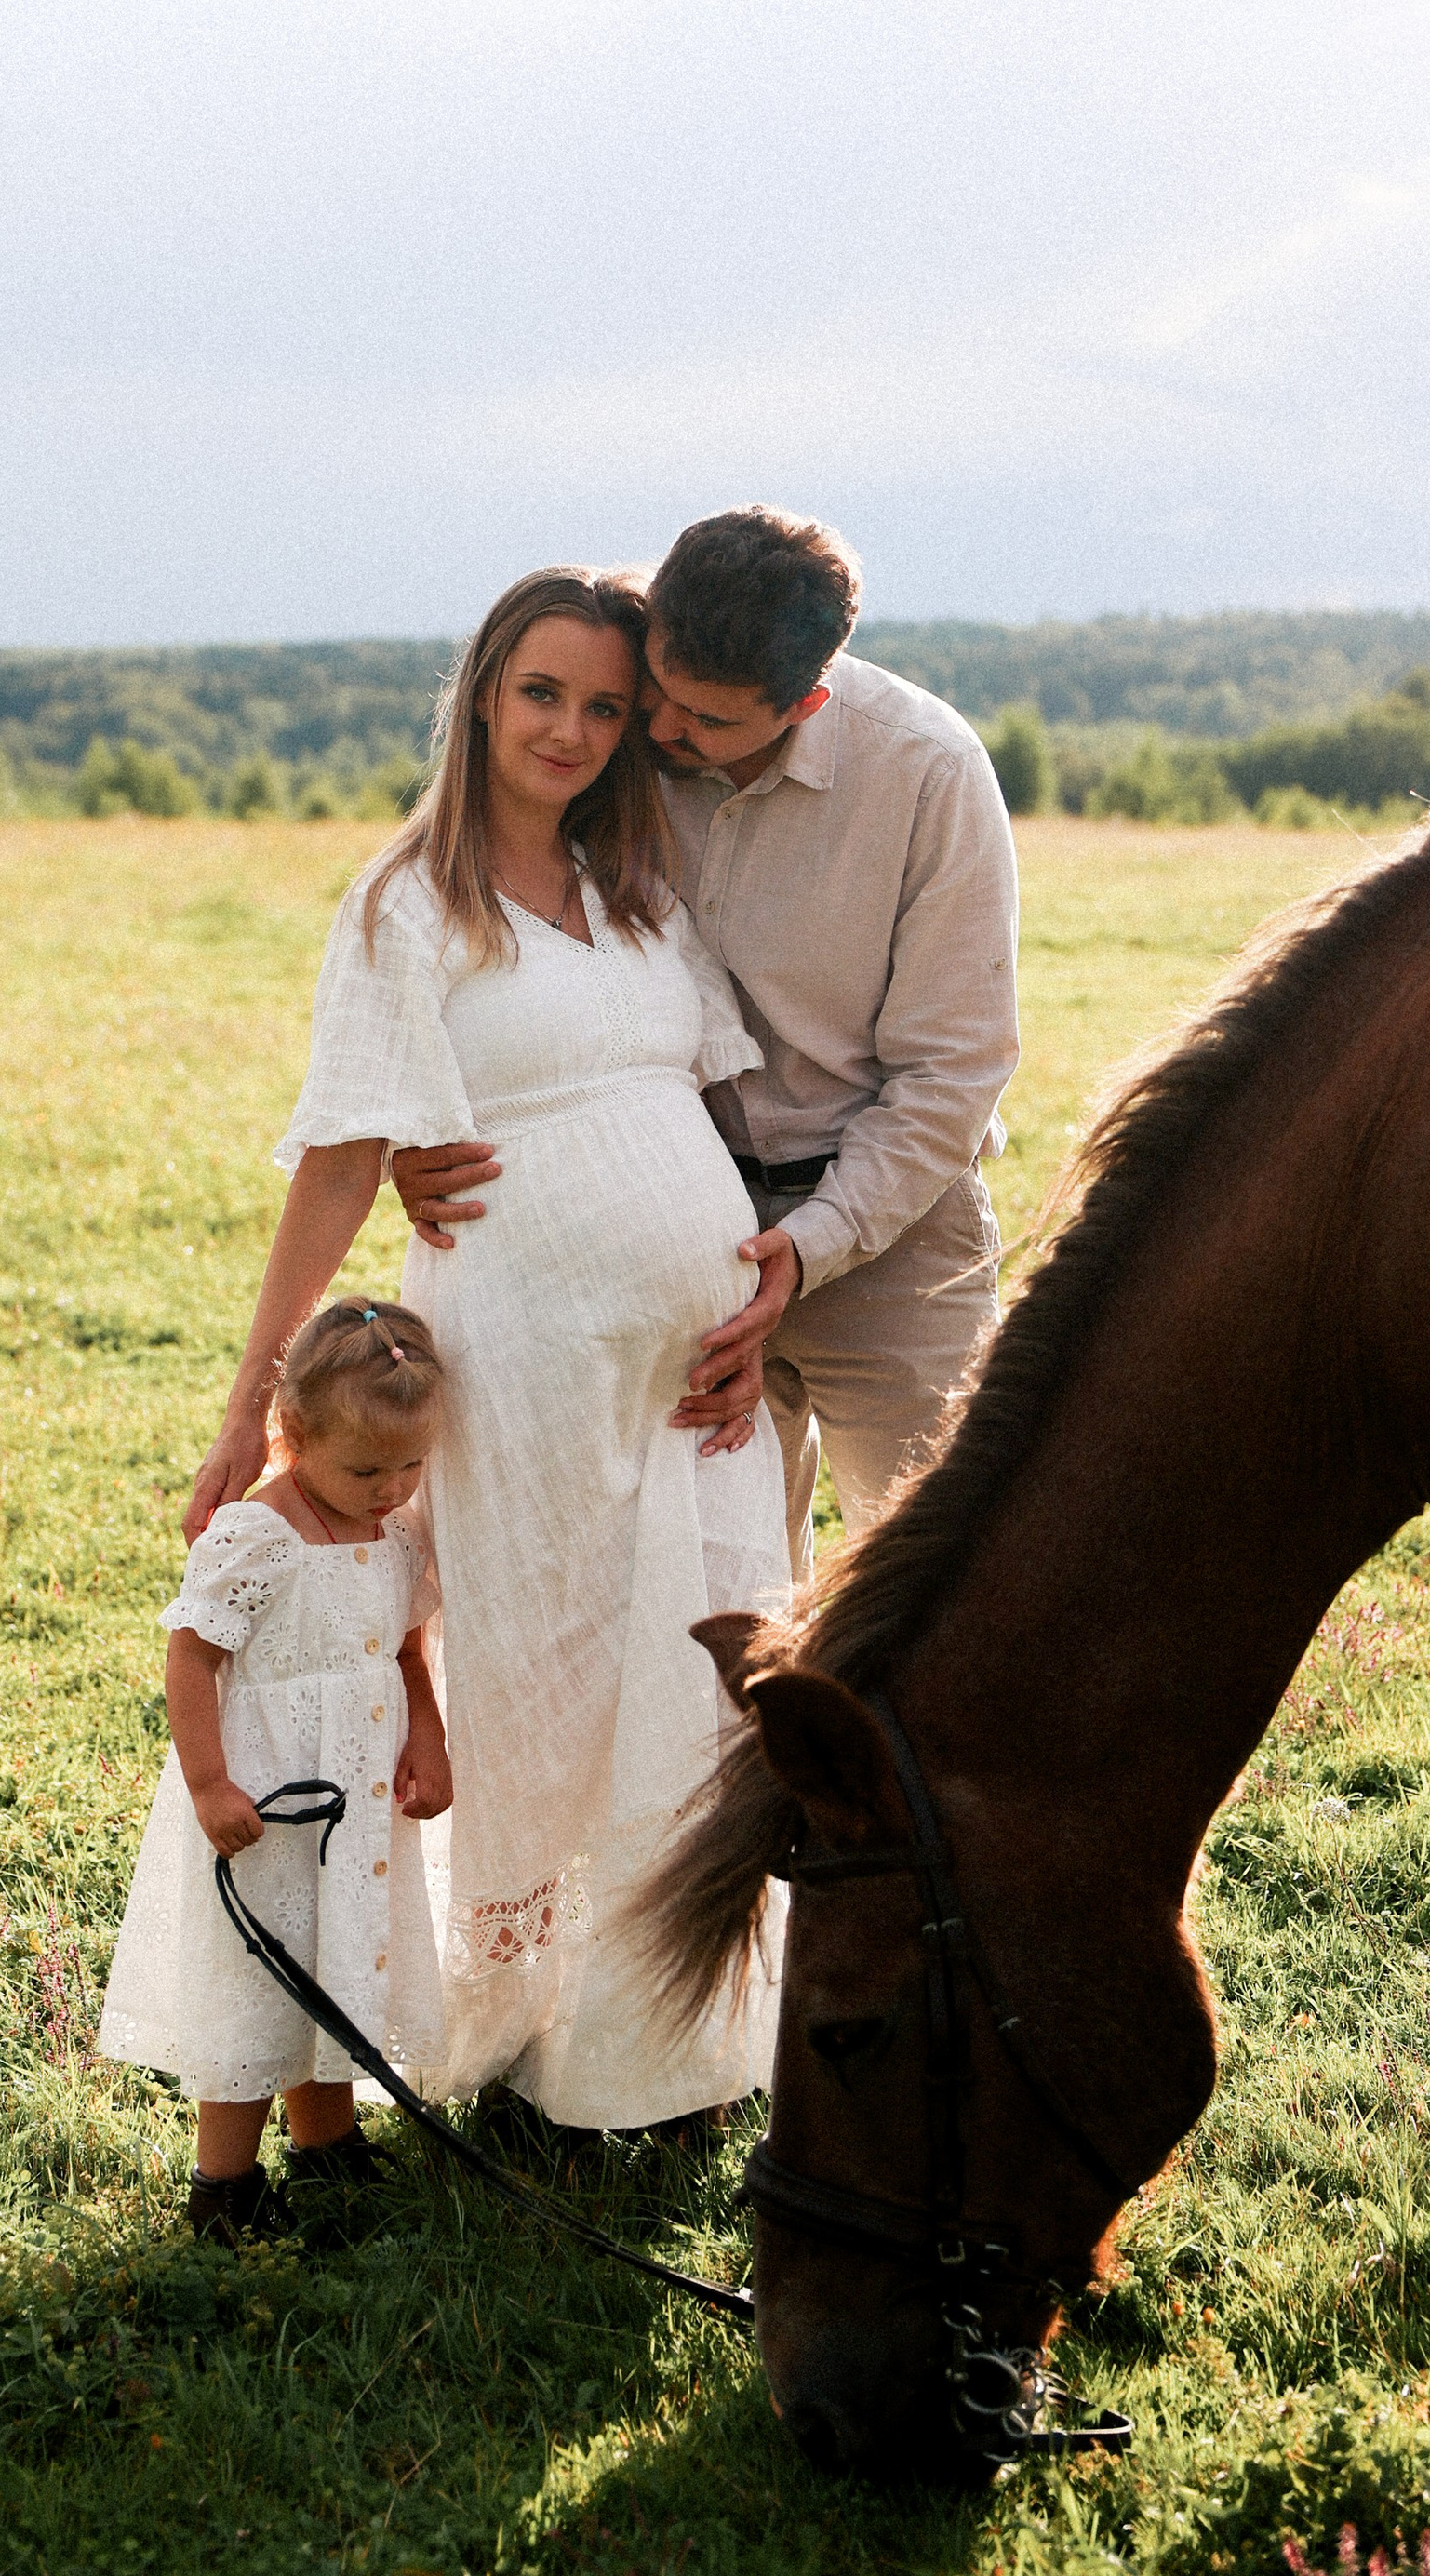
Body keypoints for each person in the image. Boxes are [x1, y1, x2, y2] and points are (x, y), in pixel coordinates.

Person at [180, 565, 795, 2131]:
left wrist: (769, 1292)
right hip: (522, 1354)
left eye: (604, 705)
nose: (573, 729)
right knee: (541, 1675)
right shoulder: (409, 903)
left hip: (697, 1389)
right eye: (543, 692)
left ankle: (681, 2037)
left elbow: (708, 1112)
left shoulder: (642, 895)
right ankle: (542, 2050)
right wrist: (252, 1406)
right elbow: (339, 1152)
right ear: (481, 692)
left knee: (701, 1675)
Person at [396, 510, 1018, 1582]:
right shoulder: (618, 723)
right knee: (715, 1588)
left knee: (943, 1576)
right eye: (659, 692)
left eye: (707, 719)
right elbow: (495, 927)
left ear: (806, 701)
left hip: (893, 1228)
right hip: (674, 1232)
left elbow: (951, 1070)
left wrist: (815, 1243)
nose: (662, 730)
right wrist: (430, 1126)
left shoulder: (927, 773)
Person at [100, 1300, 455, 2245]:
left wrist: (430, 1740)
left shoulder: (394, 1532)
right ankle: (223, 2184)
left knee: (337, 1960)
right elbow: (192, 1656)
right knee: (262, 1979)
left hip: (360, 1791)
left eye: (410, 1466)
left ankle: (325, 2144)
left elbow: (406, 1649)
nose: (389, 1489)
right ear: (292, 1436)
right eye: (365, 1467)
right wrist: (212, 1783)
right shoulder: (257, 1537)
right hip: (269, 1797)